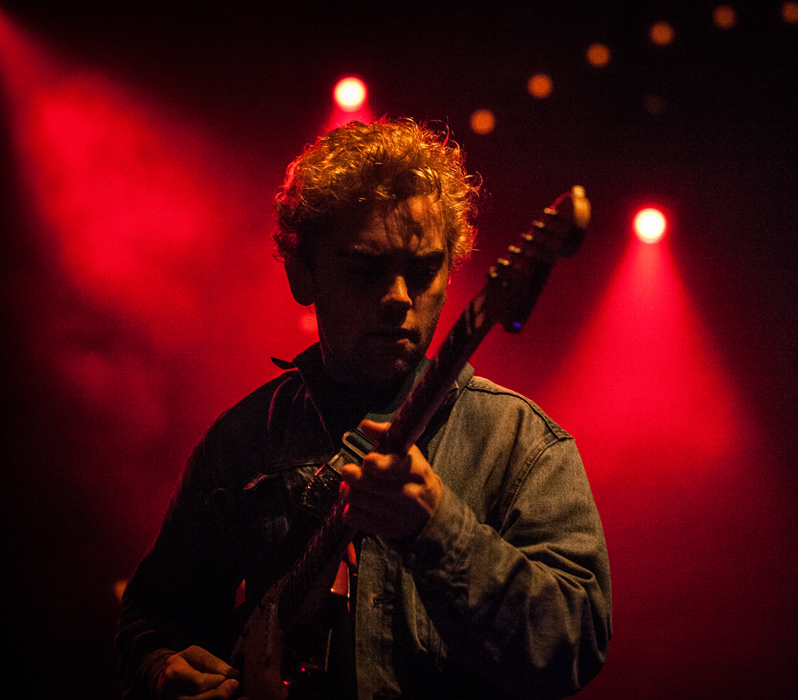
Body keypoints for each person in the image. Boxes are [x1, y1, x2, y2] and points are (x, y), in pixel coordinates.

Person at [116, 118, 612, 700]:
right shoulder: (241, 441)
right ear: (303, 273)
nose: (400, 297)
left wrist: (438, 528)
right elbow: (151, 617)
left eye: (424, 269)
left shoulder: (523, 444)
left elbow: (572, 646)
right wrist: (160, 666)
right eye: (364, 269)